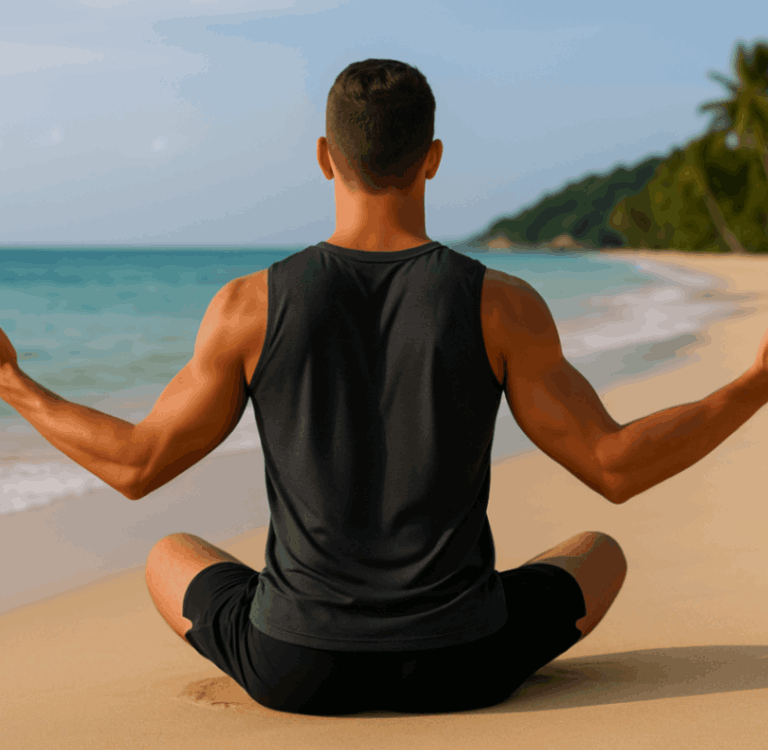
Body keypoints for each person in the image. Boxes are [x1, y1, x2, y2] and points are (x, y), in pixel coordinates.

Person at [3, 58, 768, 717]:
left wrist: (14, 383)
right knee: (599, 553)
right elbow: (615, 466)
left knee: (169, 552)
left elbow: (137, 467)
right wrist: (756, 382)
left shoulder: (247, 305)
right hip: (463, 664)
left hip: (295, 667)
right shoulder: (500, 303)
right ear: (432, 158)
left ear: (323, 156)